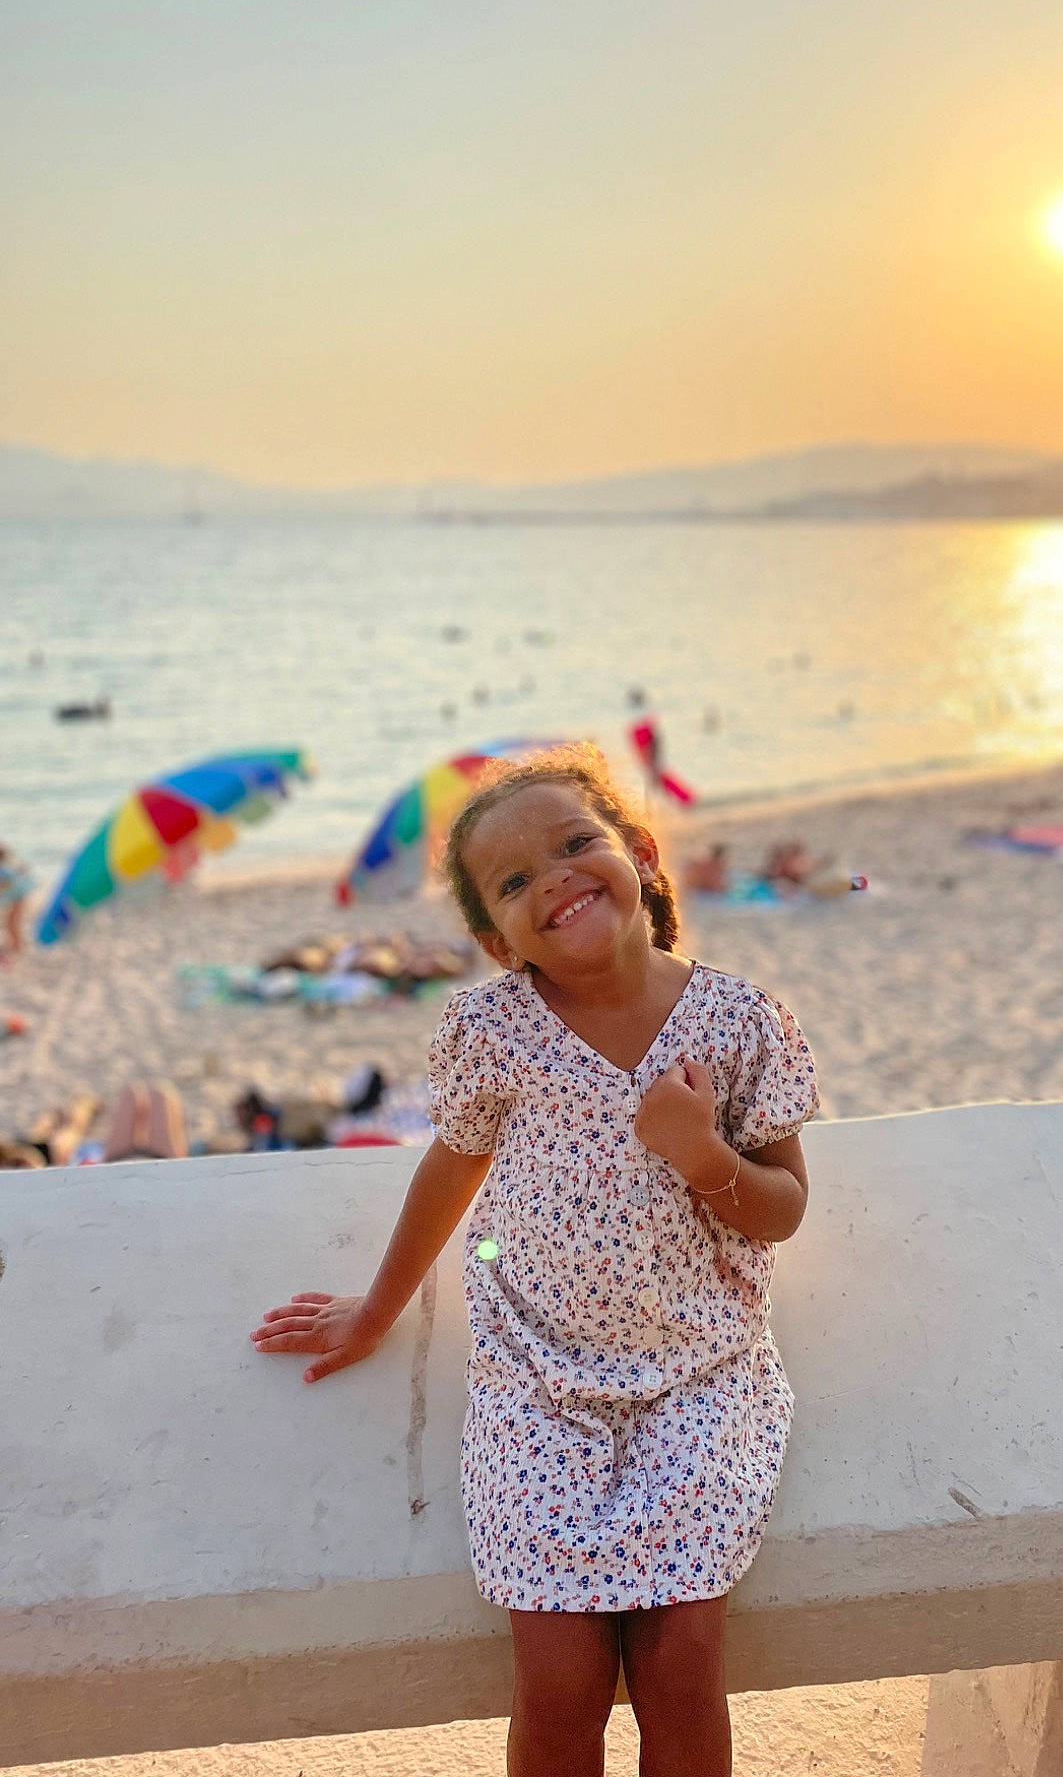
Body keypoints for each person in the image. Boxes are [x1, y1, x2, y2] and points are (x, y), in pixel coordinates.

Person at [252, 747, 817, 1777]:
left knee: (681, 1665)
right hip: (538, 1386)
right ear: (491, 936)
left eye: (574, 844)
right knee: (557, 1686)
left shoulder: (741, 1018)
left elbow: (781, 1206)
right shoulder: (488, 1030)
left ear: (639, 855)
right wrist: (379, 1308)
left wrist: (699, 1151)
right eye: (515, 881)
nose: (554, 877)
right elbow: (451, 1165)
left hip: (701, 1377)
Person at [0, 844, 35, 963]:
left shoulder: (3, 870)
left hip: (18, 899)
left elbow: (7, 885)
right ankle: (17, 948)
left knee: (12, 924)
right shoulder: (6, 869)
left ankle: (18, 950)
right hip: (18, 898)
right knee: (11, 924)